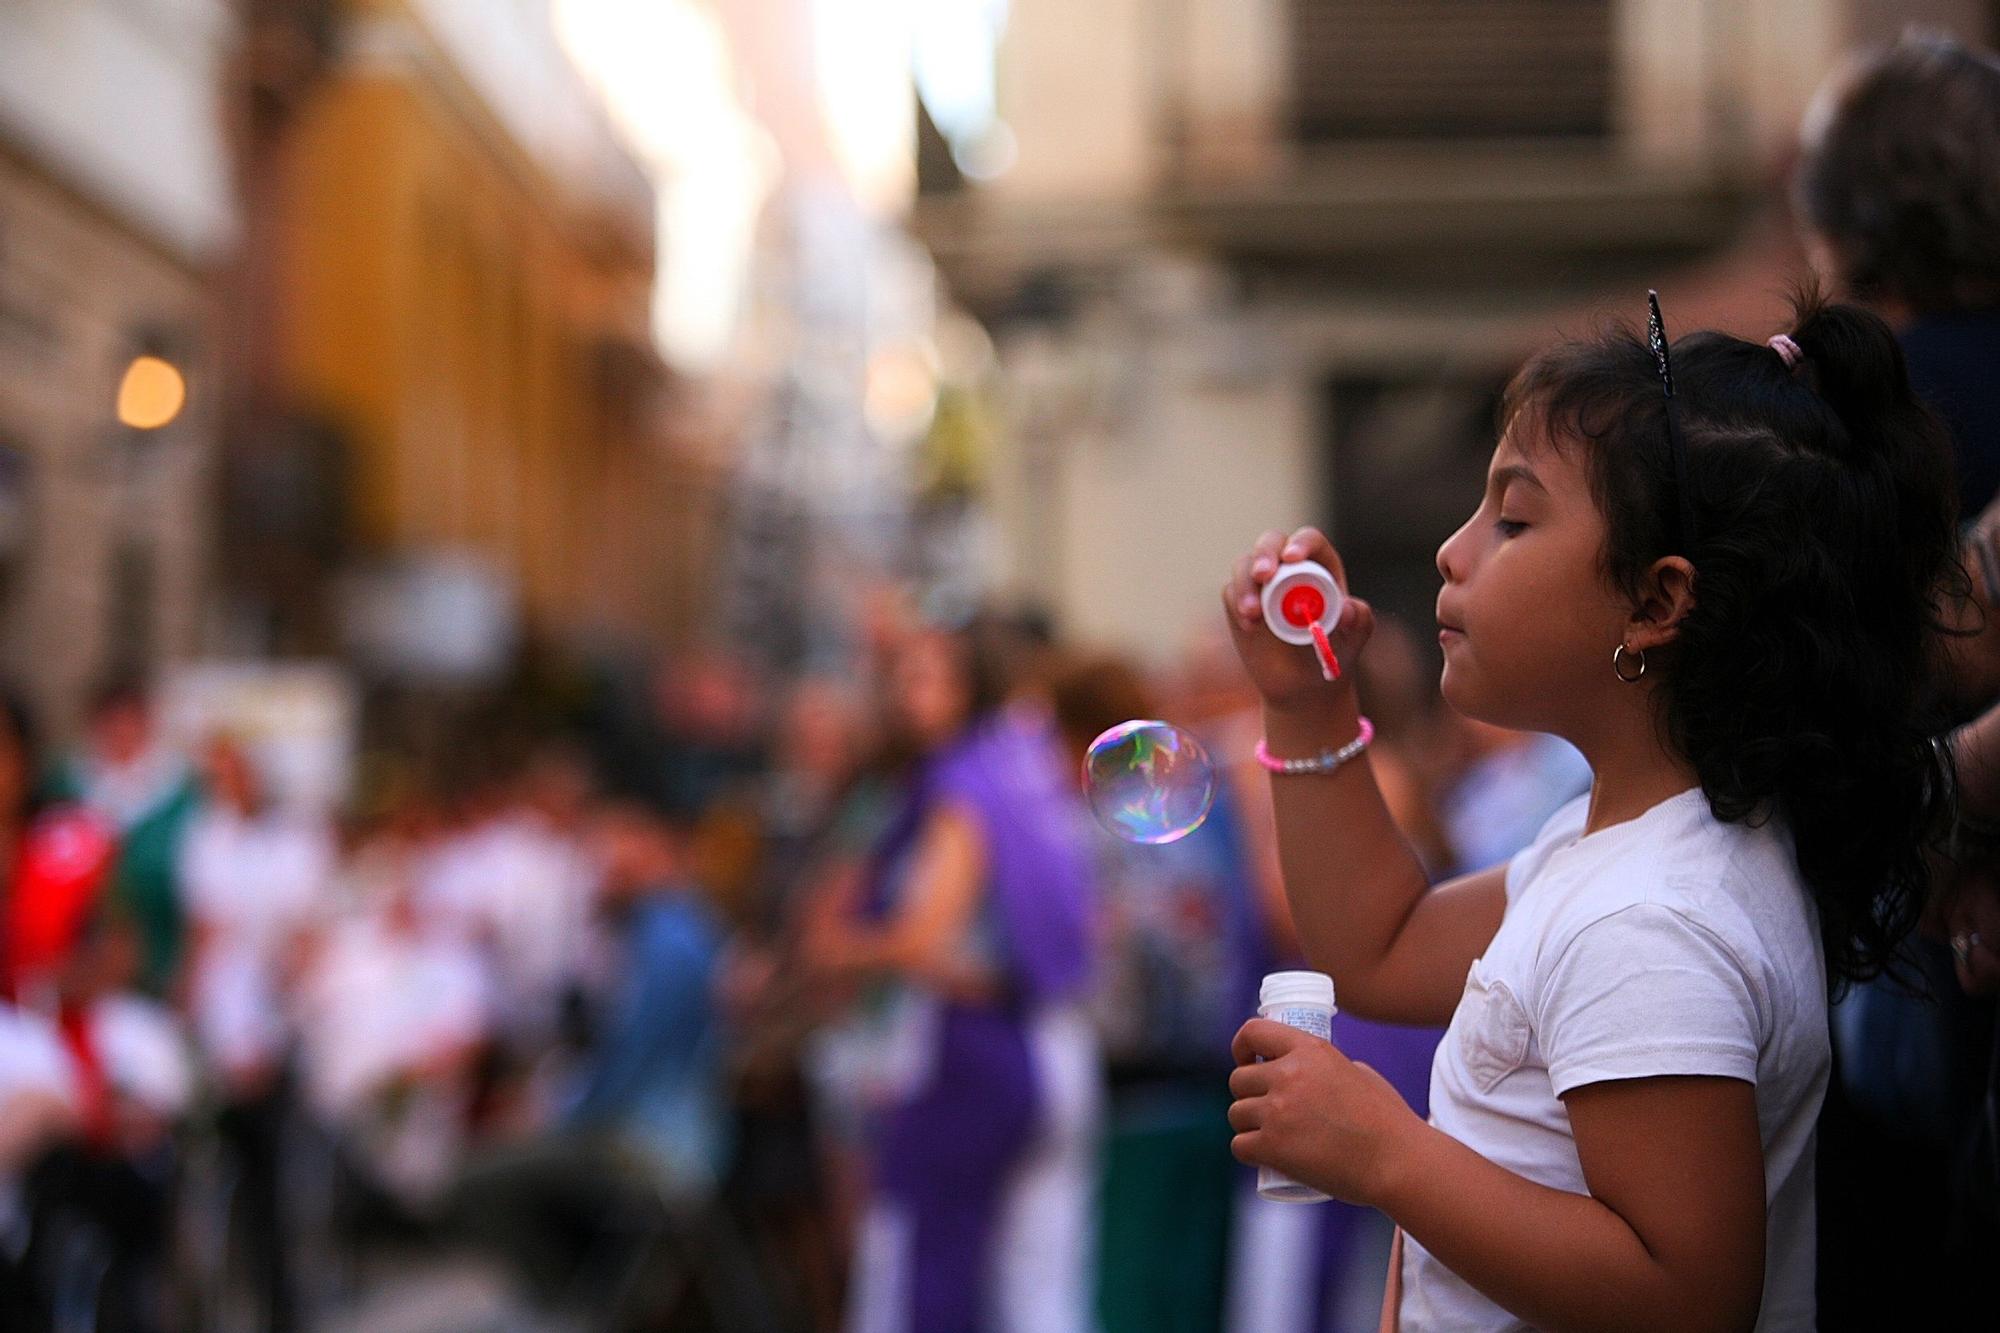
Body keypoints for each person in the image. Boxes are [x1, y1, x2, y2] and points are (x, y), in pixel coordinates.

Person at [1220, 292, 1959, 1330]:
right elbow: (1376, 943)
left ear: (1655, 603)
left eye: (1512, 519)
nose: (1452, 550)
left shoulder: (1651, 921)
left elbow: (1683, 1291)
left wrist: (1385, 1153)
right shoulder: (1611, 854)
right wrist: (1308, 704)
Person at [810, 619, 1097, 1333]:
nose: (906, 694)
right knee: (1039, 1290)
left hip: (975, 1052)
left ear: (972, 690)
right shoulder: (1024, 771)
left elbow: (920, 932)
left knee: (913, 1276)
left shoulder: (962, 784)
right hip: (1053, 1041)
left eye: (927, 676)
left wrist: (835, 946)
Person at [47, 680, 201, 997]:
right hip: (80, 960)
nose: (121, 733)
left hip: (161, 954)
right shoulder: (66, 787)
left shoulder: (182, 793)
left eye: (130, 721)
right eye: (112, 722)